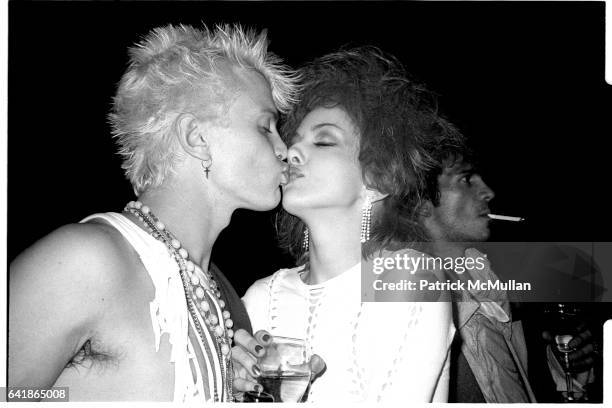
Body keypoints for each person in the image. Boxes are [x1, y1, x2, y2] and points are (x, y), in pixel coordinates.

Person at [8, 23, 297, 402]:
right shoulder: (85, 261)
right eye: (265, 127)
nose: (284, 148)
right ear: (197, 138)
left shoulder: (227, 305)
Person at [243, 47, 455, 403]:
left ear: (379, 180)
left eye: (323, 141)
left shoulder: (408, 279)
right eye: (293, 142)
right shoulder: (261, 296)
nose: (291, 153)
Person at [416, 131, 600, 402]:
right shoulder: (413, 309)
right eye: (466, 179)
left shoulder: (488, 281)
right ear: (420, 203)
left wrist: (561, 367)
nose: (488, 192)